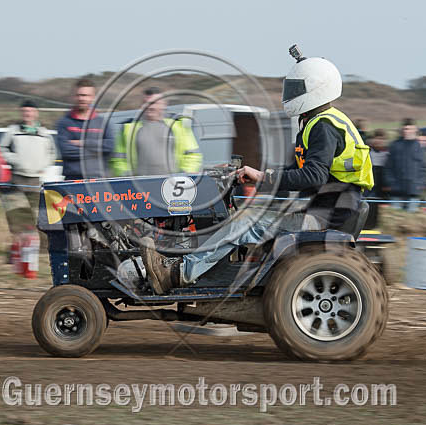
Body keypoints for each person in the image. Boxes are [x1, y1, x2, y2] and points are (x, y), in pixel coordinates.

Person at [140, 47, 374, 294]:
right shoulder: (319, 121)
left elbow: (313, 176)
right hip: (329, 207)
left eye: (297, 88)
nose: (291, 94)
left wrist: (263, 177)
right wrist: (252, 173)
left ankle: (179, 273)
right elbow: (297, 171)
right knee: (252, 210)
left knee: (245, 222)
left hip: (328, 215)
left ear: (316, 89)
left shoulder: (323, 126)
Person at [111, 87, 202, 176]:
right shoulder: (128, 128)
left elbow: (192, 155)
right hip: (140, 185)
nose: (150, 107)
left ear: (164, 104)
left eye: (155, 103)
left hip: (172, 185)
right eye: (146, 103)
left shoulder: (178, 126)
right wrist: (127, 177)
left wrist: (184, 175)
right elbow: (119, 159)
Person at [0, 99, 57, 218]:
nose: (28, 114)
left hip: (36, 179)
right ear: (21, 113)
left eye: (31, 111)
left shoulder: (44, 133)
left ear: (36, 113)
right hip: (17, 178)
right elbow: (2, 149)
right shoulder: (13, 130)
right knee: (18, 212)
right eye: (25, 111)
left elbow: (52, 153)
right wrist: (15, 160)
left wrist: (43, 165)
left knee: (36, 213)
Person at [54, 79, 115, 179]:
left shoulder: (102, 122)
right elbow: (66, 151)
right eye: (78, 95)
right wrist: (97, 153)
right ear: (73, 97)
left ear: (93, 98)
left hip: (99, 180)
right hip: (72, 180)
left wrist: (82, 143)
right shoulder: (64, 123)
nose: (81, 98)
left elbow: (109, 147)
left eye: (85, 95)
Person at [383, 118, 426, 212]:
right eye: (405, 129)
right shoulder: (394, 145)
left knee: (410, 219)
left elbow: (423, 168)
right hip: (396, 190)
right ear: (402, 130)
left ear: (415, 130)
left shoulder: (419, 146)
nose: (407, 131)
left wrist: (421, 184)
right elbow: (388, 167)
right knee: (396, 217)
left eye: (410, 129)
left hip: (413, 190)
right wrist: (390, 183)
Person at [368, 129, 389, 197]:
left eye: (381, 139)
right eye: (376, 139)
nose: (379, 141)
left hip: (384, 186)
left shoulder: (388, 153)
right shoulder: (368, 151)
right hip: (369, 185)